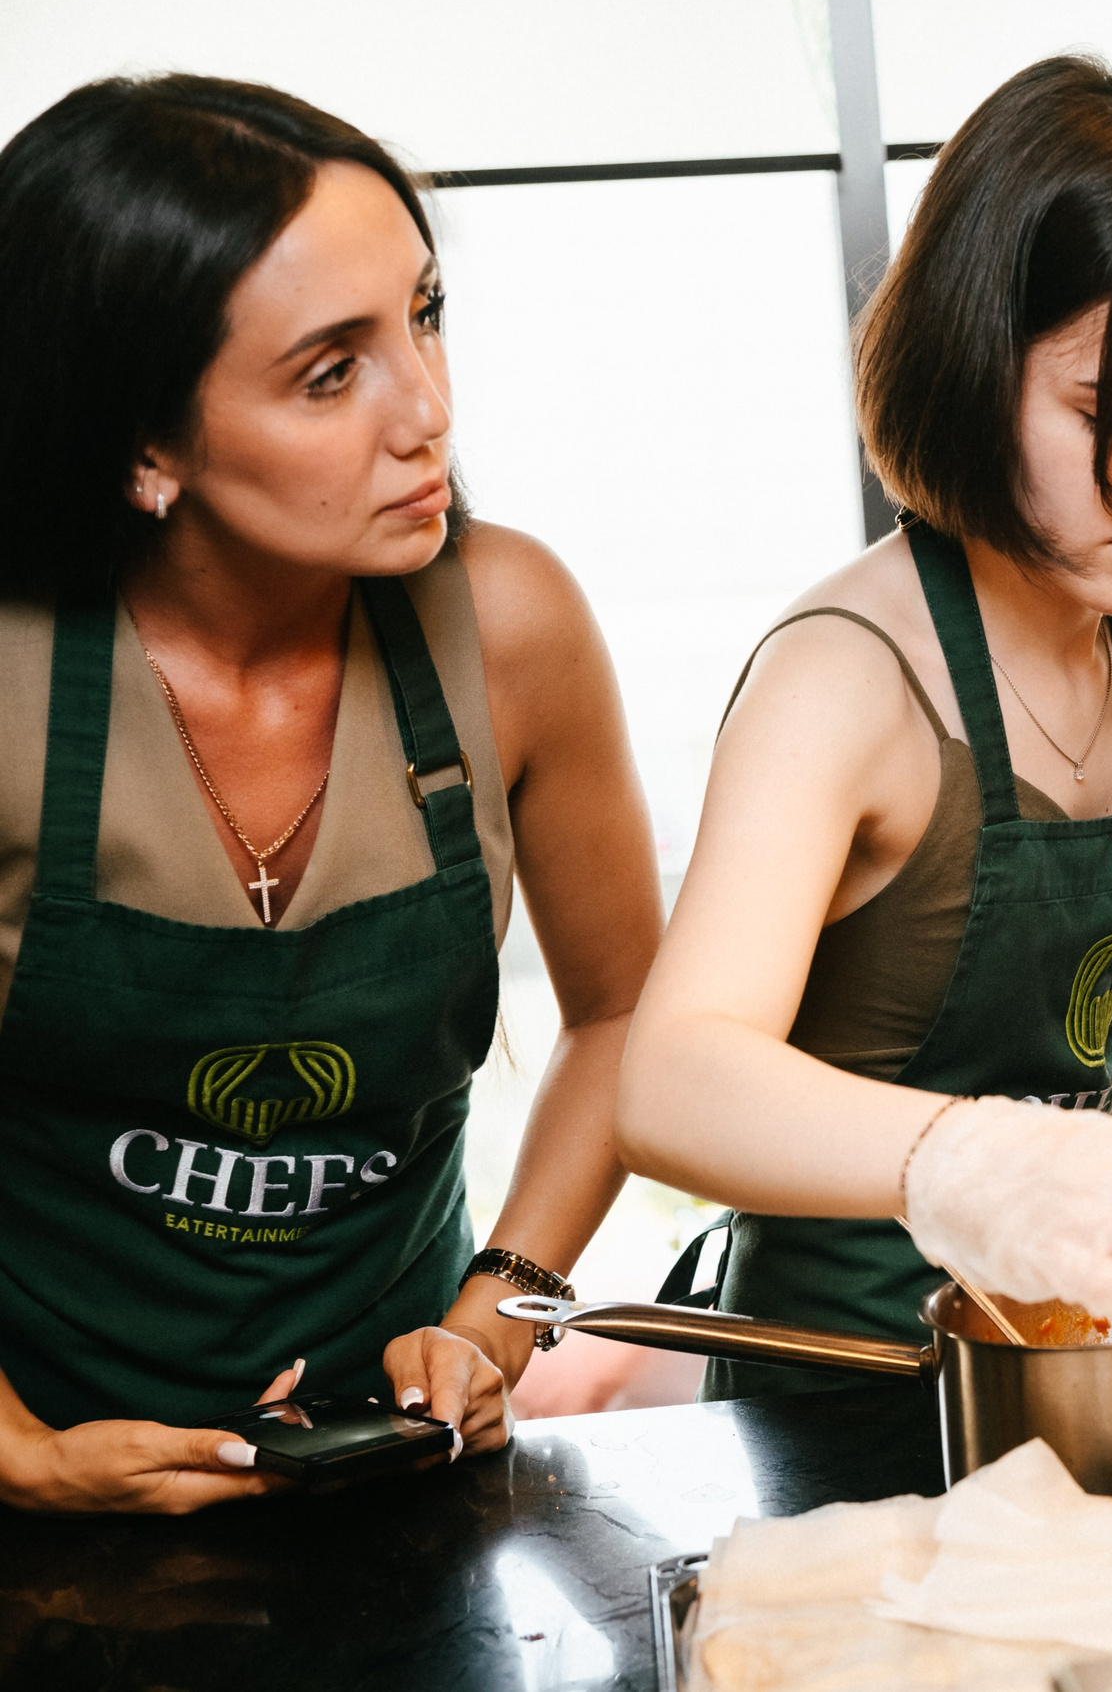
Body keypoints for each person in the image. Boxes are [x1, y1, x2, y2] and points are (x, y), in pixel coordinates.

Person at [615, 56, 1112, 1401]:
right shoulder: (843, 679)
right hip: (851, 1399)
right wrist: (980, 1157)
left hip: (1070, 1361)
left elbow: (1041, 944)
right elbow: (670, 1080)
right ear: (974, 363)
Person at [0, 76, 661, 1512]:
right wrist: (24, 1454)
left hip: (398, 1474)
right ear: (143, 448)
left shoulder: (515, 628)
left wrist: (500, 1310)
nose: (425, 412)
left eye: (424, 317)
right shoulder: (11, 683)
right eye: (330, 371)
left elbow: (622, 1015)